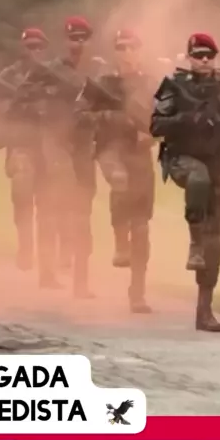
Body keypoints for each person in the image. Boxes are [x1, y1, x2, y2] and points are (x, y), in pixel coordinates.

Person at [150, 32, 220, 332]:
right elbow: (156, 125)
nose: (204, 60)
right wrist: (188, 119)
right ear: (189, 57)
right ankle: (194, 241)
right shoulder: (174, 86)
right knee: (197, 178)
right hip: (182, 160)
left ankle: (204, 310)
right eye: (199, 55)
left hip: (219, 167)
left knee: (214, 241)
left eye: (209, 55)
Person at [76, 30, 155, 312]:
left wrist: (153, 135)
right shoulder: (102, 83)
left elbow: (168, 117)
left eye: (132, 47)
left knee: (142, 228)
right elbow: (80, 114)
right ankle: (120, 243)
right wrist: (110, 117)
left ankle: (138, 292)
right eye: (121, 47)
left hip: (139, 154)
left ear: (140, 50)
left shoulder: (152, 84)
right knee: (119, 180)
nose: (127, 52)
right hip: (110, 149)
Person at [47, 15, 96, 295]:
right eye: (73, 38)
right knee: (59, 205)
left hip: (85, 147)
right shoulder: (51, 70)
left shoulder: (98, 71)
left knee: (83, 213)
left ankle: (81, 281)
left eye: (82, 38)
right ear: (65, 41)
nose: (77, 44)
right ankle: (51, 267)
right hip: (57, 145)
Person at [0, 27, 49, 270]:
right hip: (21, 145)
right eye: (30, 47)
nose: (34, 51)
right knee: (22, 194)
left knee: (51, 201)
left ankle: (50, 256)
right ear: (23, 48)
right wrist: (18, 105)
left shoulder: (54, 74)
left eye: (39, 46)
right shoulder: (8, 77)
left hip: (48, 143)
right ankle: (25, 246)